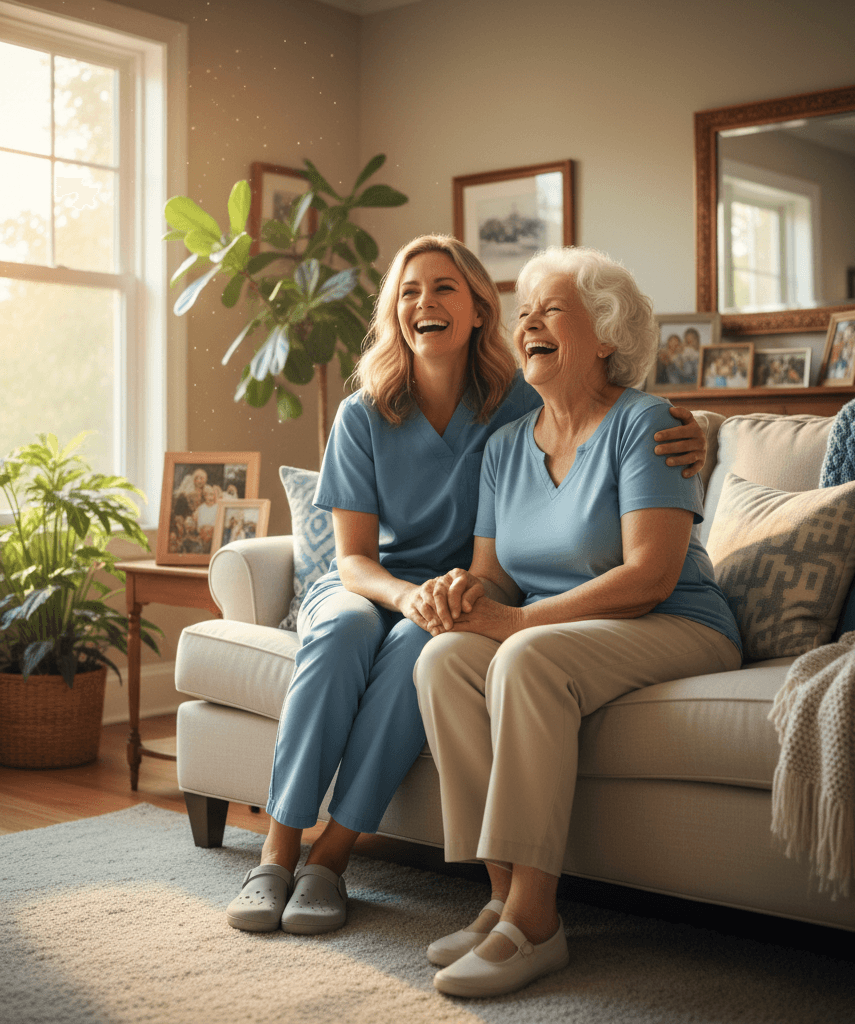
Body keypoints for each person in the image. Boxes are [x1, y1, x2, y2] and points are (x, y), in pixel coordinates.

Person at [224, 235, 710, 938]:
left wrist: (700, 434)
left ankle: (332, 857)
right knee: (347, 630)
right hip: (371, 583)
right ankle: (276, 852)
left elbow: (600, 416)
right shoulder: (363, 414)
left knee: (422, 652)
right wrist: (404, 595)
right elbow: (353, 559)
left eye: (446, 288)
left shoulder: (518, 401)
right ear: (394, 313)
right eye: (410, 291)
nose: (425, 302)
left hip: (463, 593)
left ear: (480, 309)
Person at [412, 246, 743, 998]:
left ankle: (536, 925)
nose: (528, 321)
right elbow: (492, 570)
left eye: (550, 309)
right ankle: (499, 897)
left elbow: (650, 575)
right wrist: (460, 595)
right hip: (564, 632)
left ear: (606, 334)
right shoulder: (503, 447)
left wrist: (519, 619)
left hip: (678, 624)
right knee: (442, 658)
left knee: (524, 658)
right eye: (524, 312)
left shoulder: (647, 423)